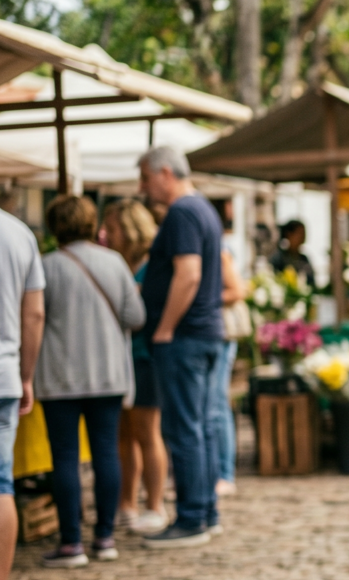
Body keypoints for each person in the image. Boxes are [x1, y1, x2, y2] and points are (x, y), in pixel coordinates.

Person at [36, 196, 146, 567]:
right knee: (105, 453)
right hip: (108, 374)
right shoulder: (114, 262)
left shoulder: (46, 266)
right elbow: (136, 315)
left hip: (59, 377)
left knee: (65, 456)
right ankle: (105, 537)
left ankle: (71, 543)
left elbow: (34, 318)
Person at [137, 146, 225, 549]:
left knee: (184, 428)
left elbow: (188, 275)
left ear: (165, 173)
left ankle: (191, 517)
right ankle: (204, 511)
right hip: (204, 333)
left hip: (185, 336)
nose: (143, 187)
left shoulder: (183, 213)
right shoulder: (204, 209)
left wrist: (165, 328)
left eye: (145, 177)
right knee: (201, 425)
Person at [104, 199, 169, 536]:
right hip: (121, 359)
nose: (106, 234)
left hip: (145, 358)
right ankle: (126, 503)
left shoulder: (149, 266)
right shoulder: (119, 264)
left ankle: (155, 504)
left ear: (129, 230)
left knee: (147, 431)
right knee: (123, 434)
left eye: (112, 228)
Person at [0, 205, 44, 580]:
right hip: (4, 376)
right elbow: (34, 315)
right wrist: (26, 375)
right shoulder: (18, 233)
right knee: (0, 482)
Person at [212, 248, 247, 497]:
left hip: (222, 334)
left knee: (218, 401)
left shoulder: (220, 253)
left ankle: (225, 472)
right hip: (211, 332)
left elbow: (237, 291)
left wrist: (202, 296)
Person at [270, 220, 314, 285]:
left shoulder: (304, 259)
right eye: (300, 233)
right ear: (289, 234)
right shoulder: (279, 259)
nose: (303, 236)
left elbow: (311, 282)